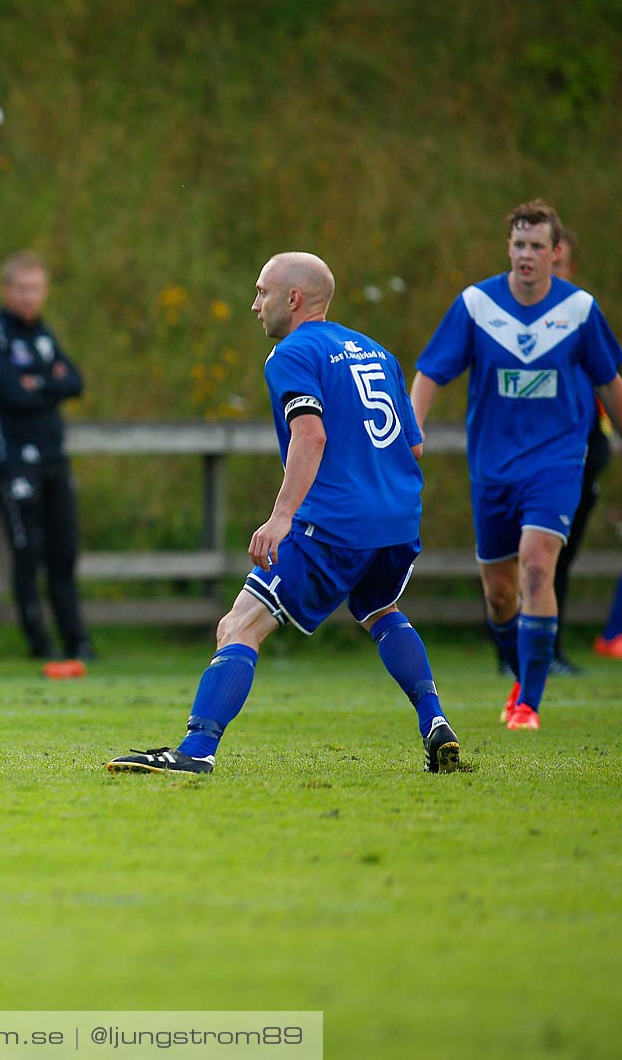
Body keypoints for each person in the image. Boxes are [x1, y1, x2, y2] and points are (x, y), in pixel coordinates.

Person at [109, 252, 461, 775]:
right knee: (380, 611)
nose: (255, 305)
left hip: (333, 523)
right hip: (396, 521)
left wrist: (281, 516)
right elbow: (413, 449)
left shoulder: (292, 354)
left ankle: (196, 751)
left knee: (239, 626)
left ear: (293, 299)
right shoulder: (377, 352)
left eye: (262, 293)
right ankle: (434, 721)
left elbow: (310, 433)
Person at [411, 200, 622, 730]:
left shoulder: (578, 311)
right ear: (509, 249)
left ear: (557, 254)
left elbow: (610, 381)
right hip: (492, 468)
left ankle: (528, 702)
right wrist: (414, 427)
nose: (527, 255)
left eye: (537, 246)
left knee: (536, 565)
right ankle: (517, 666)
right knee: (500, 594)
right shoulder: (478, 305)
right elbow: (431, 371)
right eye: (519, 245)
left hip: (556, 462)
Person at [0, 250, 92, 676]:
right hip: (12, 460)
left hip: (54, 458)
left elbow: (75, 381)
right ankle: (39, 642)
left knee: (64, 550)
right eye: (21, 288)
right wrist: (47, 382)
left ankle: (78, 640)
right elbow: (13, 396)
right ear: (6, 289)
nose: (28, 297)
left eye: (36, 289)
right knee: (28, 552)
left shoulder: (44, 335)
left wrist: (38, 383)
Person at [545, 225, 609, 671]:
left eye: (560, 262)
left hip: (583, 456)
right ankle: (516, 653)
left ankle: (548, 652)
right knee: (520, 562)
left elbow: (607, 382)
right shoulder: (511, 323)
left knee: (557, 561)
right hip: (528, 460)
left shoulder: (584, 318)